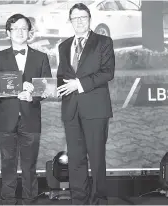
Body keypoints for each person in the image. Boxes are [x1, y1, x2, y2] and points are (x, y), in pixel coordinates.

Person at [56, 3, 115, 205]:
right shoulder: (63, 46)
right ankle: (79, 200)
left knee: (97, 159)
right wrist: (50, 88)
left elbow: (108, 72)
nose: (79, 21)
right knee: (76, 160)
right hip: (71, 110)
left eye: (83, 17)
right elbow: (61, 76)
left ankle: (99, 200)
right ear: (70, 21)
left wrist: (78, 84)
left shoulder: (103, 42)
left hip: (96, 109)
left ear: (90, 19)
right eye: (75, 18)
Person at [0, 14, 52, 205]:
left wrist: (32, 95)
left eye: (24, 28)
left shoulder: (41, 57)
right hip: (6, 118)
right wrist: (12, 88)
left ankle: (30, 199)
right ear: (8, 32)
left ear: (30, 32)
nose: (19, 32)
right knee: (7, 163)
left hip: (31, 118)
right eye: (15, 28)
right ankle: (8, 200)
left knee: (29, 165)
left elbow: (47, 88)